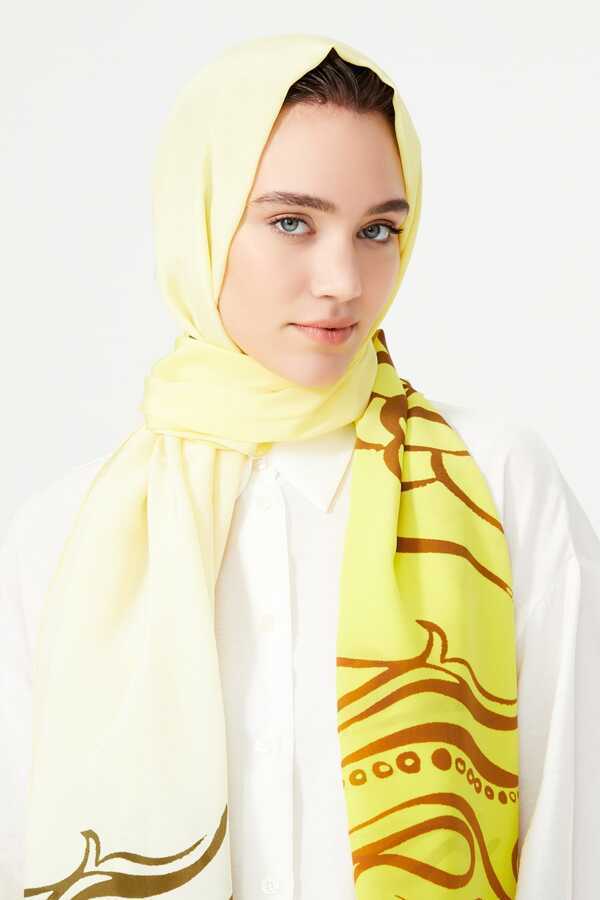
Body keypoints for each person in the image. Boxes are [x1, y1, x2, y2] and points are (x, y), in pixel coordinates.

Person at [1, 33, 598, 900]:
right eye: (292, 222)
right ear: (201, 220)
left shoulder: (497, 483)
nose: (343, 280)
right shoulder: (69, 534)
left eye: (378, 231)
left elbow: (574, 832)